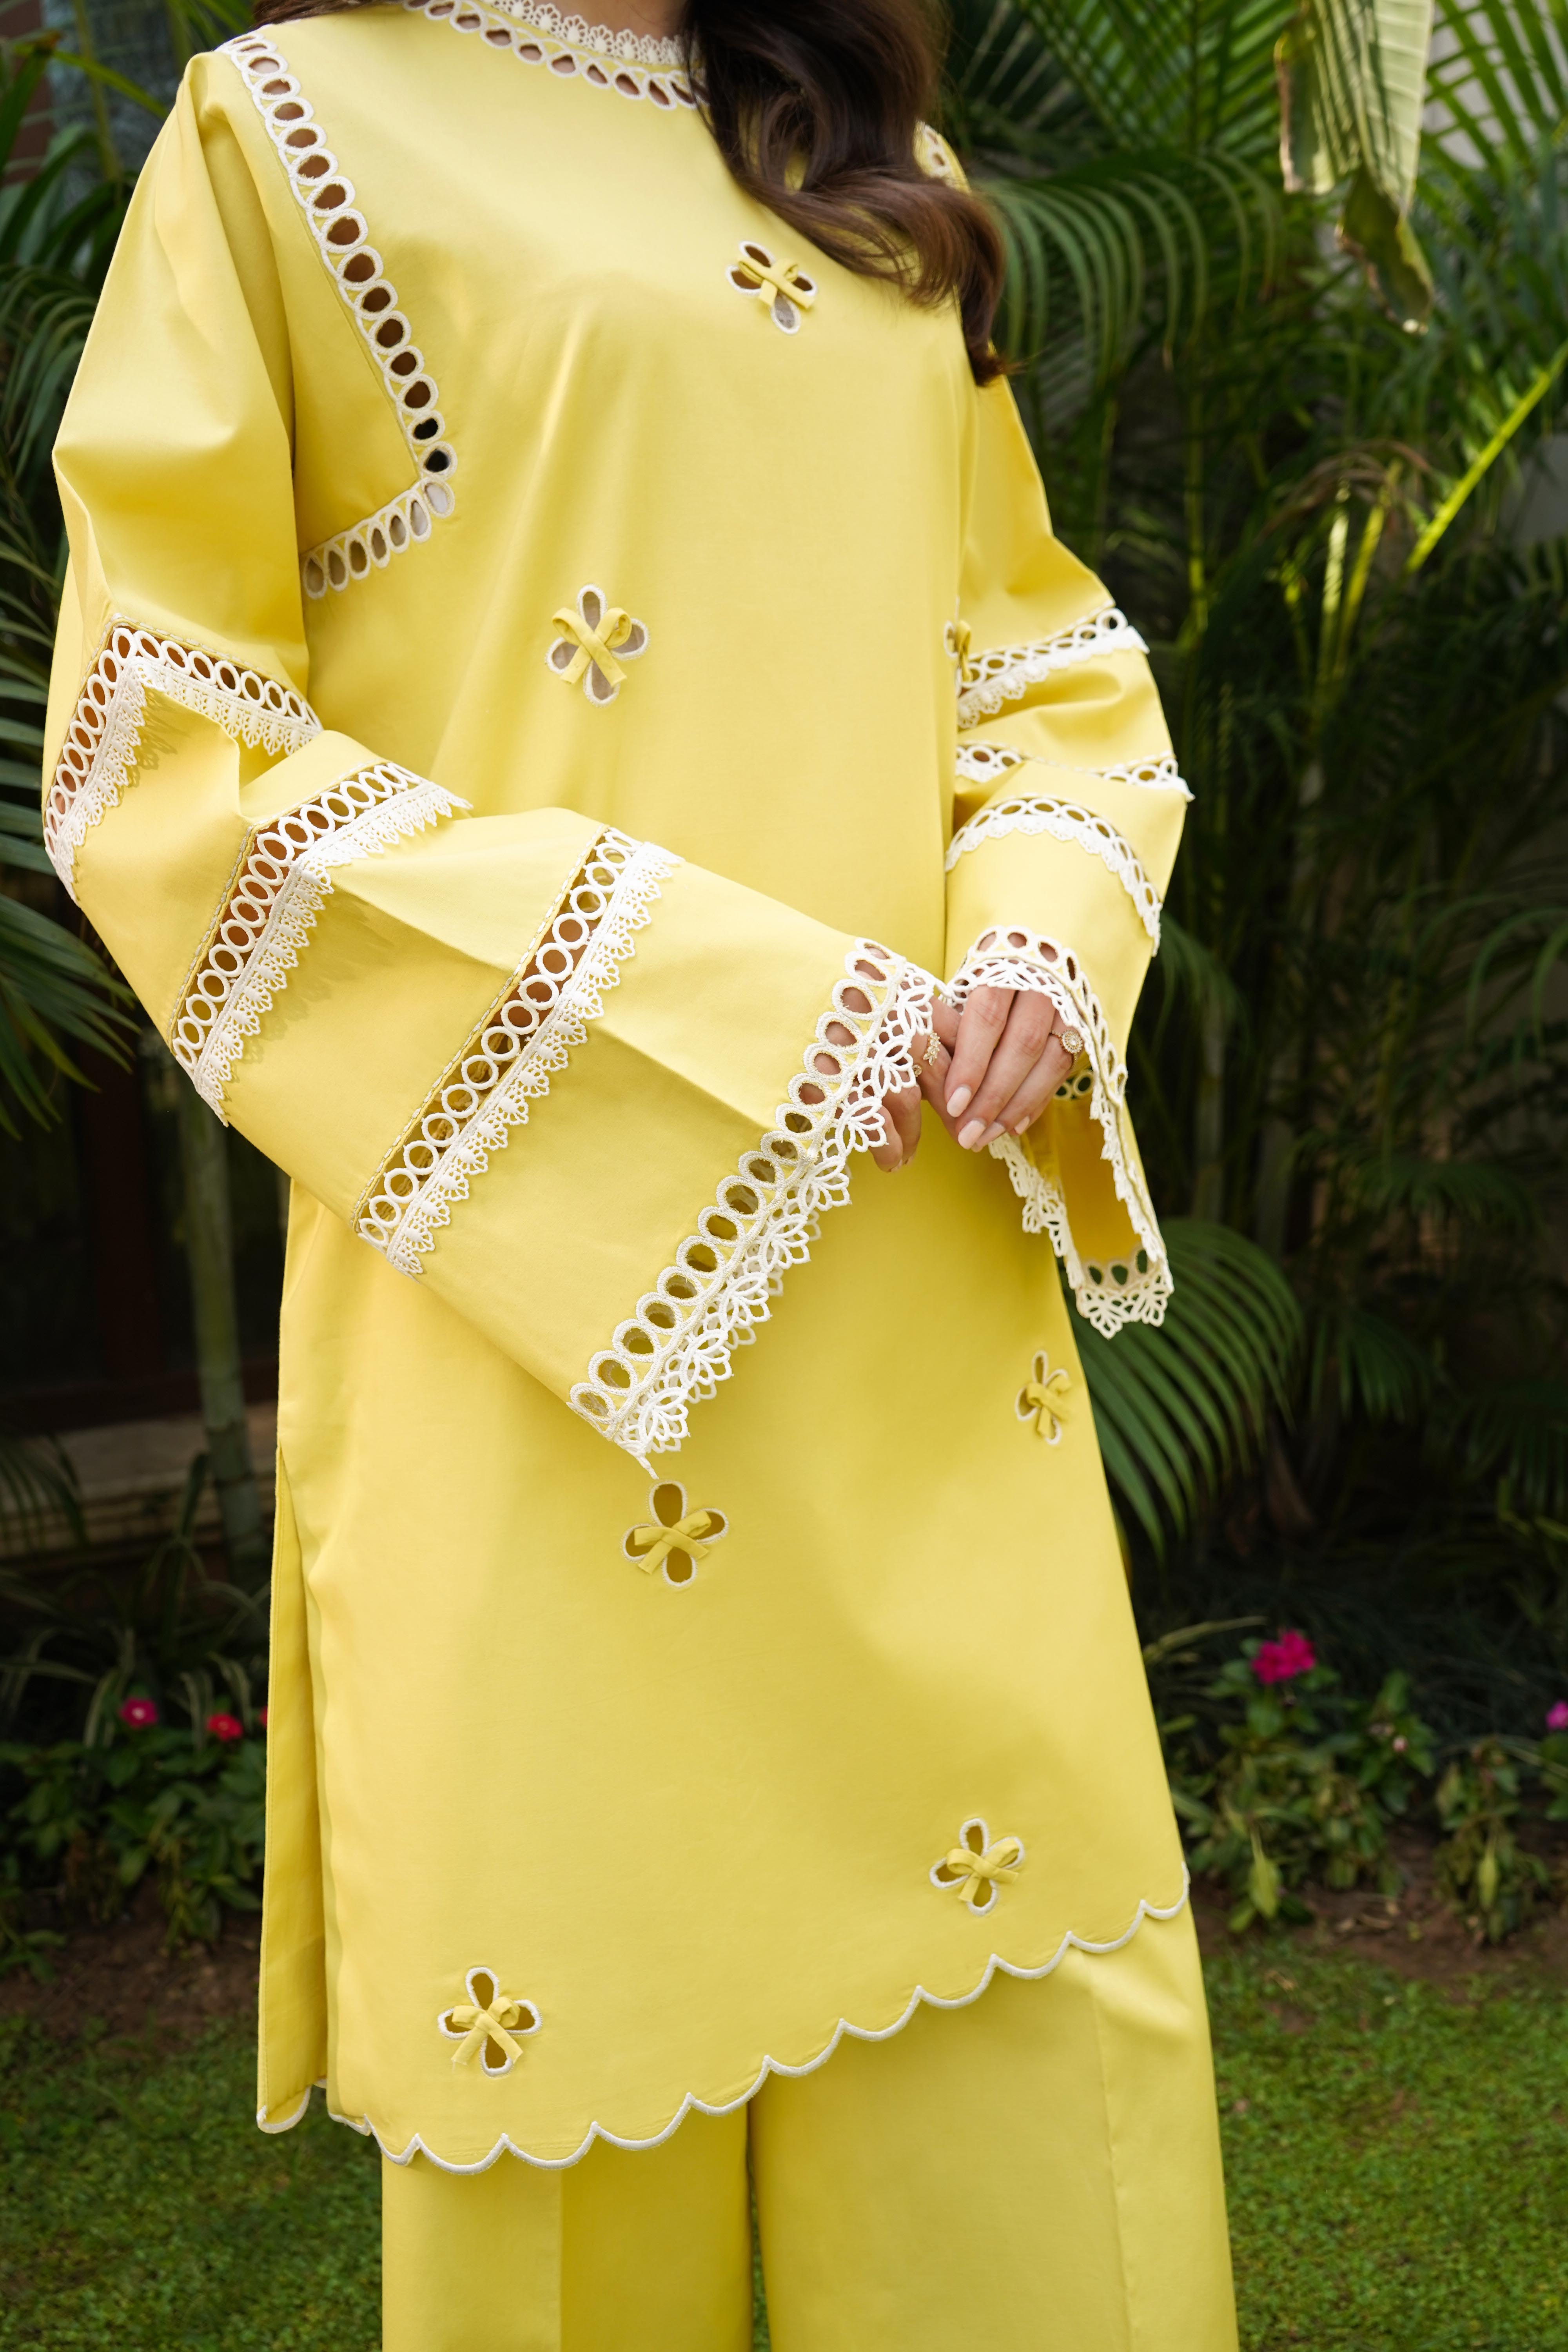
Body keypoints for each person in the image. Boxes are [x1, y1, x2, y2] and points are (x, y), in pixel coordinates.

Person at [44, 0, 1238, 2341]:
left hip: (918, 1314)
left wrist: (1039, 922)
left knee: (1042, 2154)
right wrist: (733, 1019)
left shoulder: (858, 141)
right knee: (577, 2188)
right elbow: (160, 759)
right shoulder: (288, 131)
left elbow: (1036, 658)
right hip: (545, 1322)